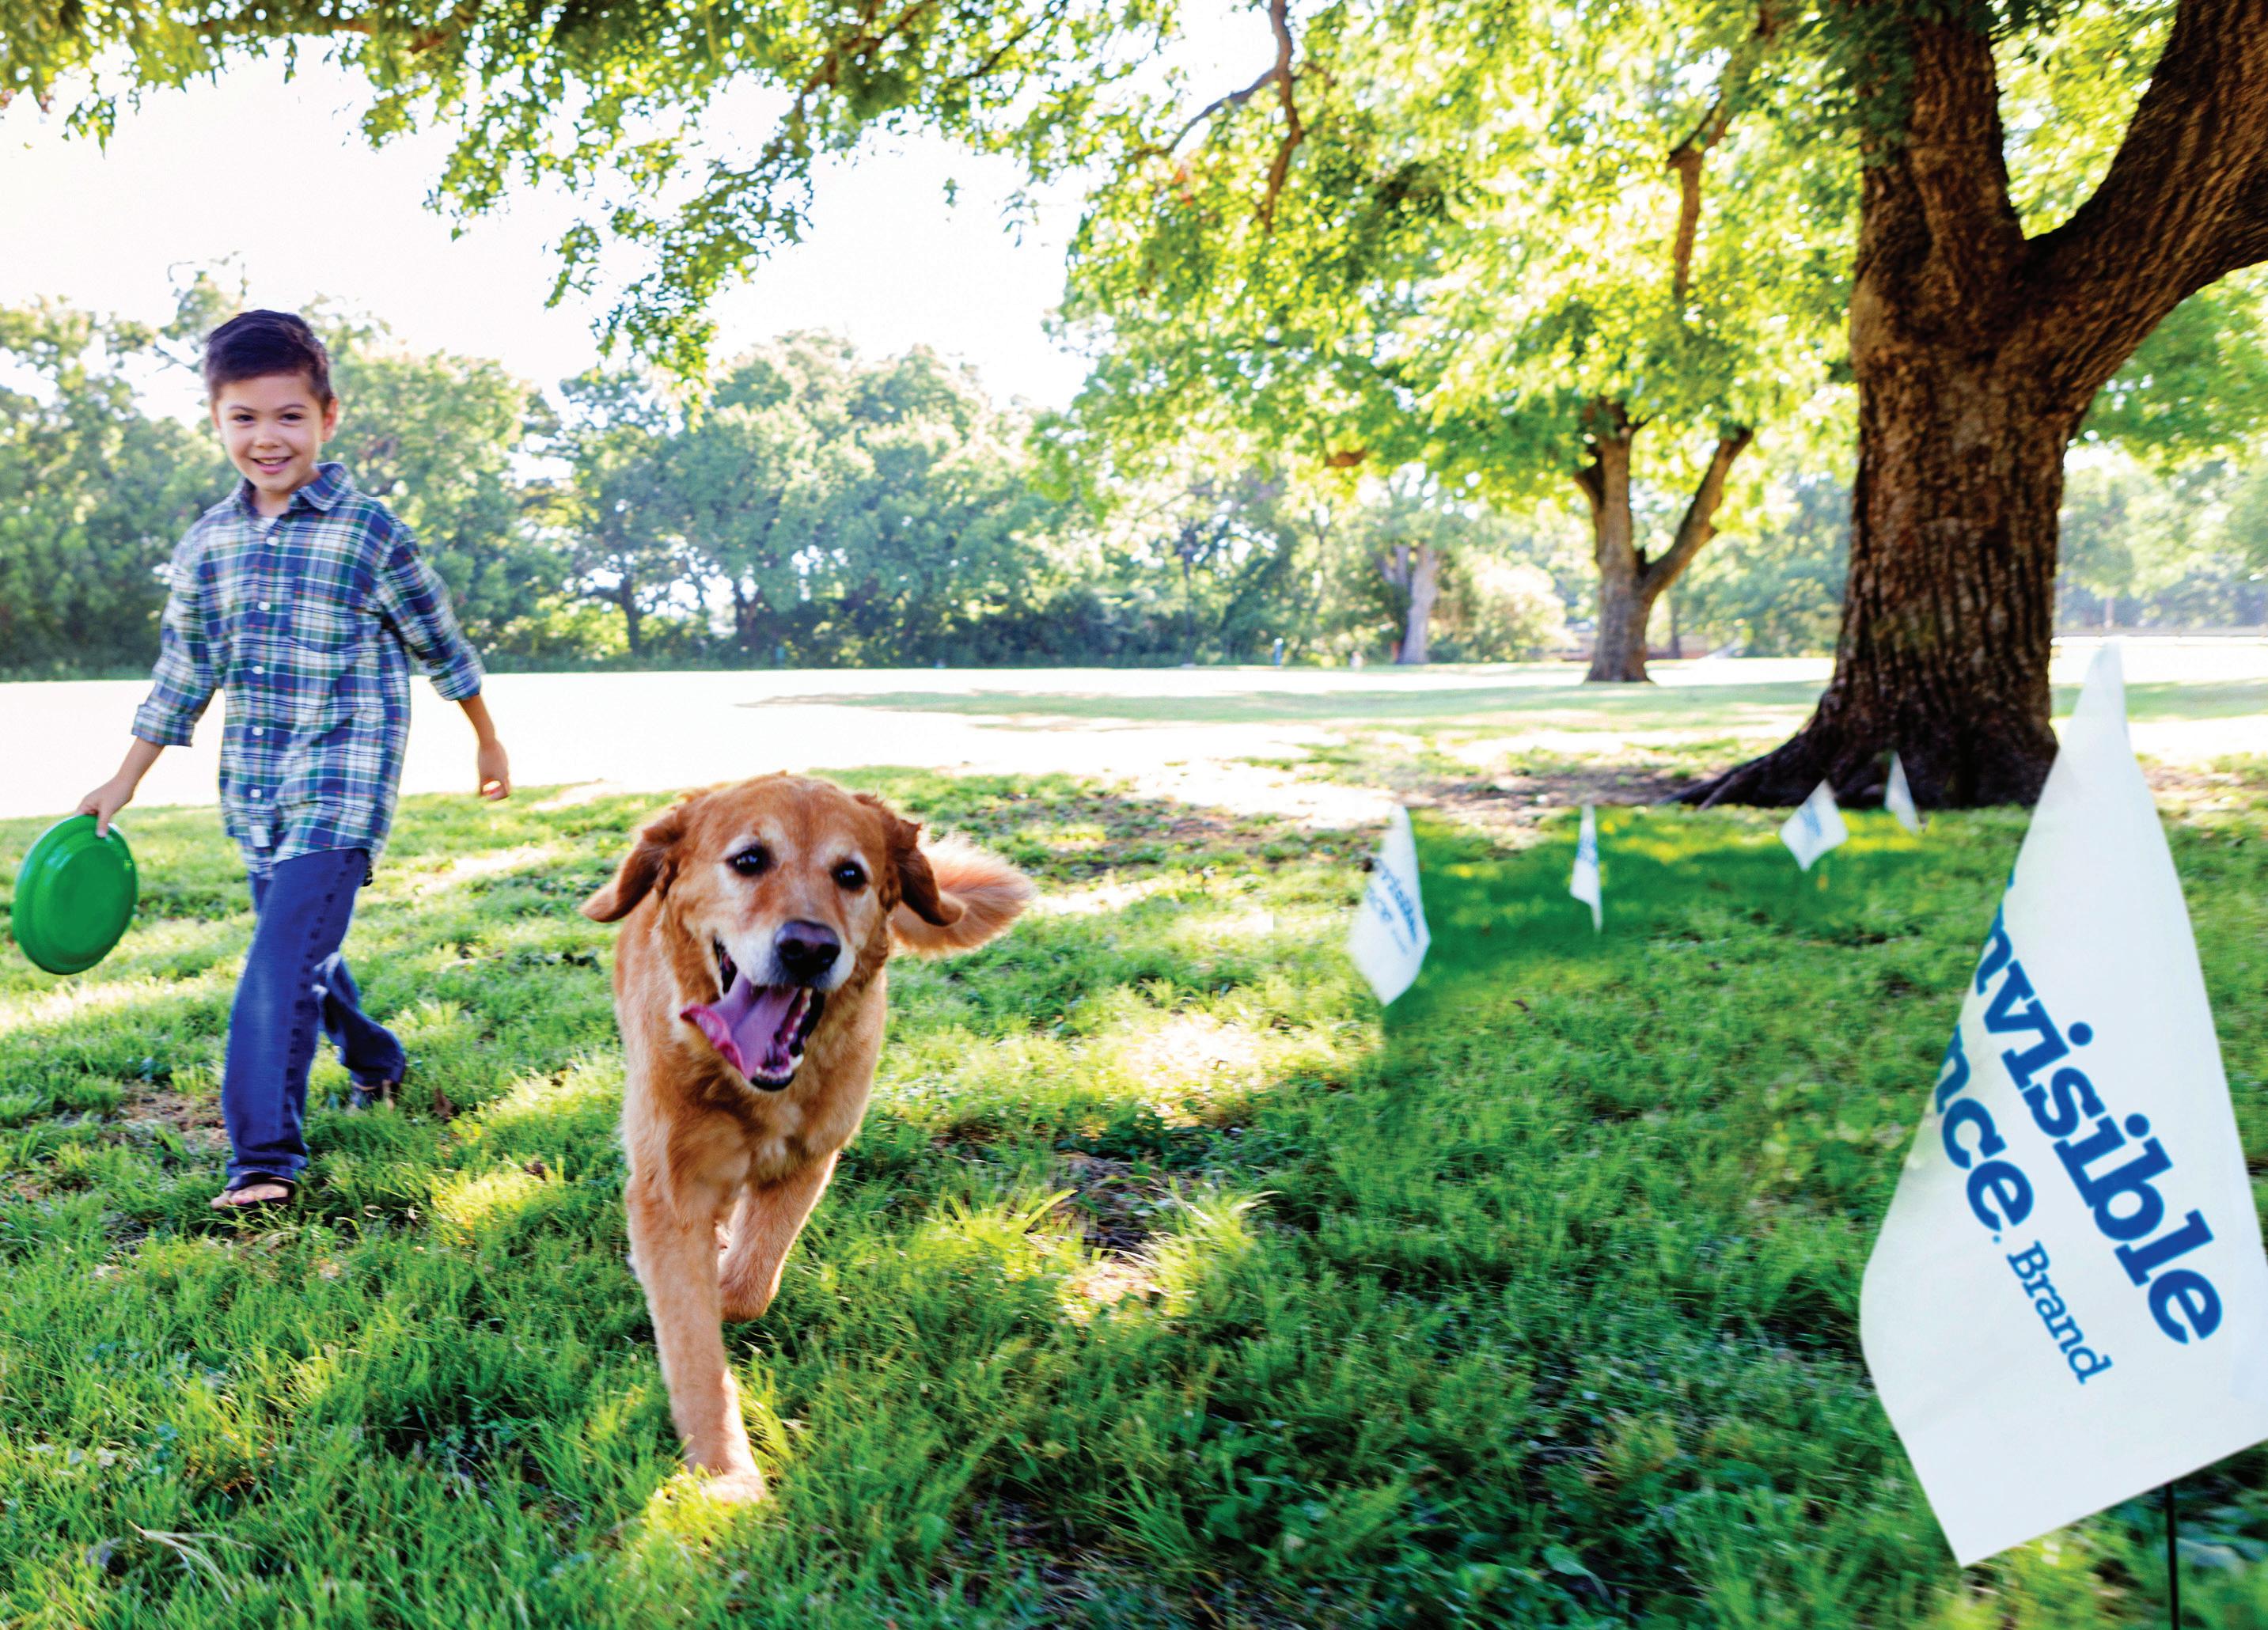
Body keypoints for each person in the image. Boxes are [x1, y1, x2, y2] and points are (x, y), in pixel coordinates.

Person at [75, 310, 511, 1214]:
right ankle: (376, 1057)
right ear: (216, 420)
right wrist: (123, 780)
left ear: (327, 417)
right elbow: (184, 674)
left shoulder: (370, 533)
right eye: (244, 417)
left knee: (277, 961)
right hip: (257, 789)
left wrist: (485, 735)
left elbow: (440, 642)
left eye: (288, 416)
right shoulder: (207, 545)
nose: (266, 438)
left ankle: (263, 1160)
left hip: (345, 783)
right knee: (301, 946)